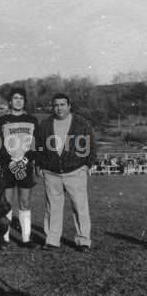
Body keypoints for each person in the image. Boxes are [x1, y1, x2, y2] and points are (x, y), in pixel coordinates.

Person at [37, 93, 96, 252]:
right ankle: (52, 240)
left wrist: (87, 165)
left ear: (69, 106)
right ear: (52, 107)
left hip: (75, 171)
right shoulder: (45, 124)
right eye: (56, 105)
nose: (59, 108)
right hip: (52, 172)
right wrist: (40, 165)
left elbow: (91, 145)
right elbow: (40, 147)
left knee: (80, 207)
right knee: (53, 208)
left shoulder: (81, 123)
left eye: (62, 104)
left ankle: (83, 240)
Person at [0, 88, 38, 247]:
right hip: (8, 166)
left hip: (25, 166)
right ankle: (4, 239)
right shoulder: (2, 120)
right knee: (6, 203)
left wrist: (25, 160)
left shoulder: (32, 119)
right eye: (15, 98)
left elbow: (36, 143)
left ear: (24, 101)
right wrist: (10, 161)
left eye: (21, 98)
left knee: (25, 202)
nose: (18, 101)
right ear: (10, 101)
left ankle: (26, 239)